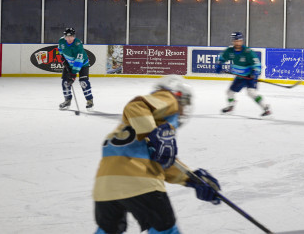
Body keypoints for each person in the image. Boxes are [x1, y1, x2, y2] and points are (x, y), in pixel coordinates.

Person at [93, 75, 221, 233]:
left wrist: (192, 179)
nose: (182, 111)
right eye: (185, 103)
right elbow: (137, 105)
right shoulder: (168, 99)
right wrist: (153, 134)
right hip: (140, 180)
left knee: (107, 230)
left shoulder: (140, 126)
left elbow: (161, 160)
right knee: (165, 230)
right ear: (179, 95)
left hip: (105, 184)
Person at [215, 31, 271, 116]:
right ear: (233, 41)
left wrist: (255, 72)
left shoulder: (248, 52)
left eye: (239, 41)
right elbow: (221, 57)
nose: (237, 42)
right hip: (240, 77)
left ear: (242, 41)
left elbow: (257, 64)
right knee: (229, 93)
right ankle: (231, 106)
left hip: (249, 77)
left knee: (251, 93)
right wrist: (219, 64)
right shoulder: (230, 51)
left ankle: (265, 108)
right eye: (235, 41)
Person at [58, 27, 94, 110]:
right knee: (65, 82)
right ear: (64, 37)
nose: (69, 39)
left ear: (74, 36)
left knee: (83, 82)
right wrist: (63, 58)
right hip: (69, 65)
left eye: (71, 36)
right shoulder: (61, 41)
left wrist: (73, 75)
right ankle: (67, 100)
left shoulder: (78, 45)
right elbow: (60, 49)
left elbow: (78, 61)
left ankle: (89, 100)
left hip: (82, 64)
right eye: (67, 37)